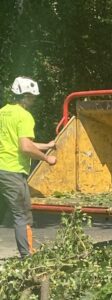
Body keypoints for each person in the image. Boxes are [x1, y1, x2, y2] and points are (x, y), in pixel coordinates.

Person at [0, 76, 56, 258]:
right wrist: (47, 159)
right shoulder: (24, 116)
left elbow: (18, 142)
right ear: (24, 95)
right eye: (32, 96)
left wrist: (46, 145)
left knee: (10, 213)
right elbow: (25, 147)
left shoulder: (3, 113)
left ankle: (26, 253)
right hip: (13, 171)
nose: (34, 100)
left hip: (2, 168)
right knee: (22, 216)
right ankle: (27, 257)